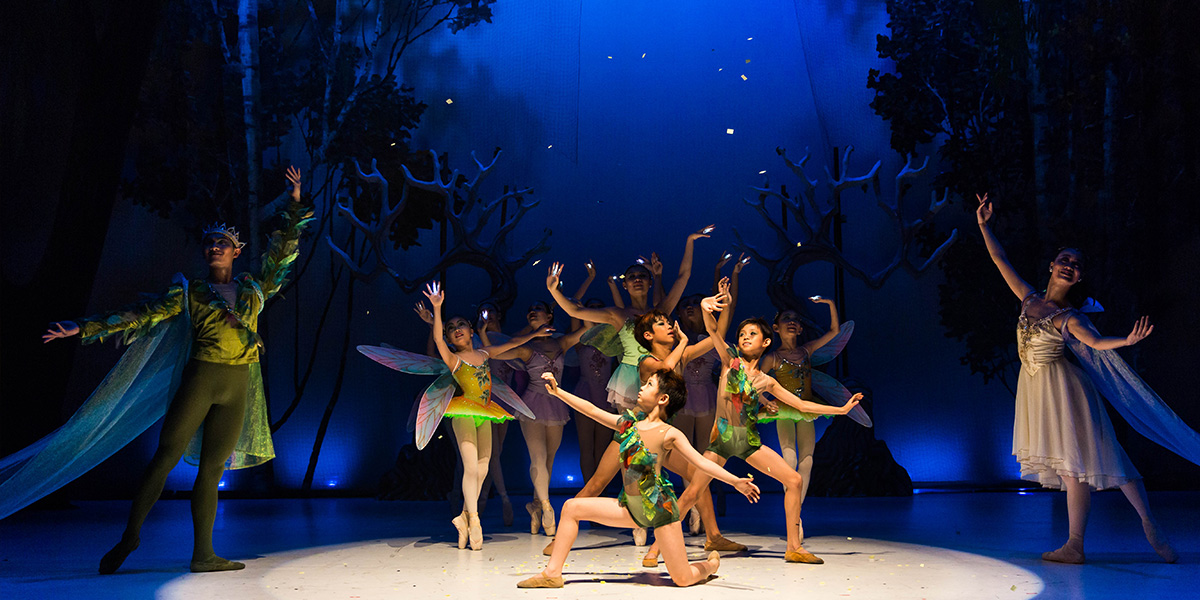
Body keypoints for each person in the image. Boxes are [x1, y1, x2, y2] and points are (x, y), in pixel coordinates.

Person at [32, 167, 312, 573]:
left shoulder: (254, 289)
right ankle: (130, 536)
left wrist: (295, 201)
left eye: (222, 242)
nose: (214, 247)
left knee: (213, 470)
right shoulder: (190, 292)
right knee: (164, 457)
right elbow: (140, 313)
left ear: (236, 251)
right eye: (209, 243)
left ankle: (203, 555)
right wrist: (83, 328)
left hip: (237, 385)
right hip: (201, 379)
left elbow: (282, 252)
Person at [977, 193, 1183, 563]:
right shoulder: (1028, 298)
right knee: (1072, 468)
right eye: (1064, 260)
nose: (1069, 266)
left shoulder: (1069, 317)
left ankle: (1146, 523)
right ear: (1052, 265)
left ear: (1080, 276)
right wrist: (983, 225)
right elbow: (999, 259)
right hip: (1036, 390)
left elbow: (1096, 342)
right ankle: (1076, 545)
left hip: (1063, 389)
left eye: (1076, 264)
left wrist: (1126, 340)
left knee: (1100, 457)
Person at [516, 369, 761, 589]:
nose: (641, 387)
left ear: (663, 399)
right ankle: (552, 573)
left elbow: (701, 462)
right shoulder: (629, 425)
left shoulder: (670, 433)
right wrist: (558, 392)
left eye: (649, 384)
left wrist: (734, 481)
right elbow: (592, 410)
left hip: (660, 511)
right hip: (630, 508)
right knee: (571, 508)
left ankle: (710, 566)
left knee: (683, 578)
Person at [669, 290, 862, 564]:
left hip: (748, 442)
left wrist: (841, 409)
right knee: (692, 492)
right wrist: (704, 306)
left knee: (794, 480)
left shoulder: (766, 381)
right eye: (742, 334)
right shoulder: (730, 361)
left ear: (766, 342)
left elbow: (801, 404)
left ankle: (793, 546)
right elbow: (712, 330)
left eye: (752, 334)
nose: (745, 337)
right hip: (723, 439)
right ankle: (657, 548)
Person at [418, 282, 554, 550]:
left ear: (471, 330)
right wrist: (437, 310)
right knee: (471, 467)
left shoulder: (484, 353)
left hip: (485, 411)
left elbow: (512, 343)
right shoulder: (453, 359)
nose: (456, 329)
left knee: (483, 467)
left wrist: (535, 333)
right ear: (449, 338)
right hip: (464, 412)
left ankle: (463, 516)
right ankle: (475, 519)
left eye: (461, 324)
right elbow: (437, 341)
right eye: (451, 328)